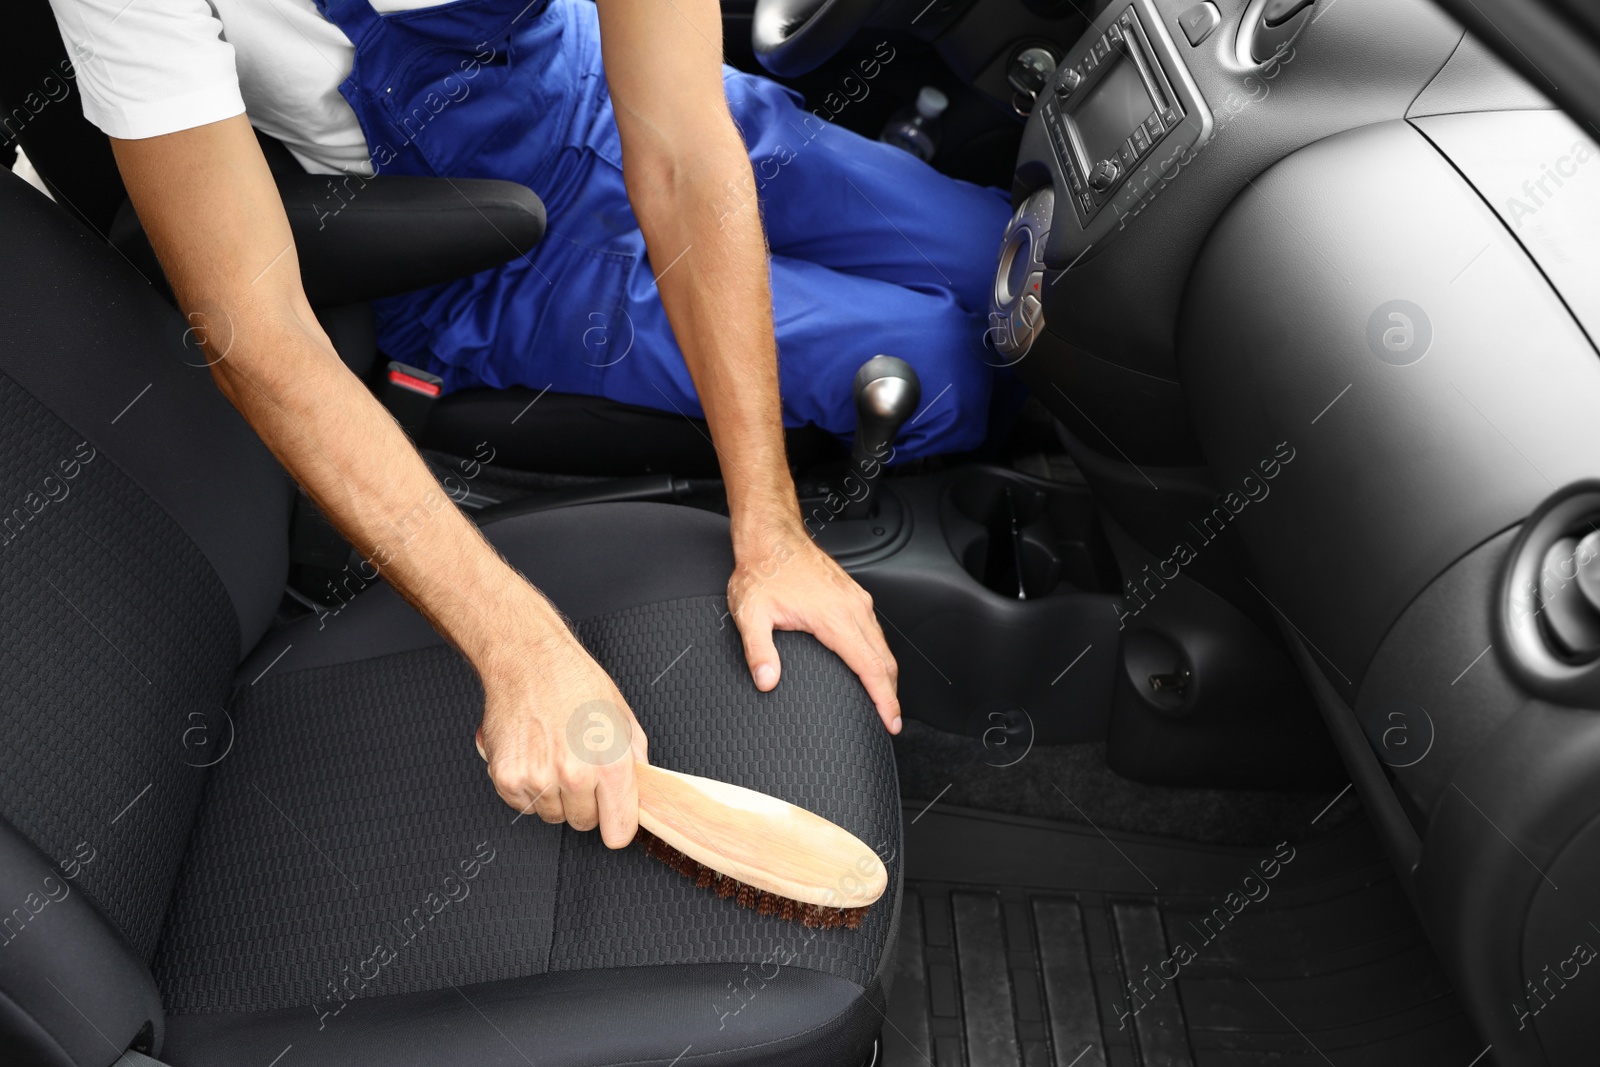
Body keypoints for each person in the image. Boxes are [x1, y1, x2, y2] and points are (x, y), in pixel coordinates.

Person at [44, 0, 1009, 845]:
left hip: (598, 86)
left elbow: (676, 142)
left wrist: (774, 529)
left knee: (1009, 259)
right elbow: (256, 331)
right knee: (947, 367)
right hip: (485, 255)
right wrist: (520, 646)